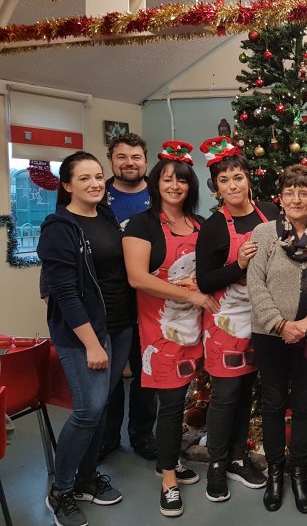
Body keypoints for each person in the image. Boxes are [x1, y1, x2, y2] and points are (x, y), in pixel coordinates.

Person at [123, 142, 219, 517]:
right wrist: (190, 295)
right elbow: (137, 277)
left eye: (181, 180)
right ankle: (168, 479)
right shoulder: (141, 224)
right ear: (155, 183)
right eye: (167, 179)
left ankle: (169, 458)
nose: (174, 186)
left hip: (197, 329)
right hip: (162, 332)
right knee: (171, 404)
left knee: (183, 400)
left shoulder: (199, 224)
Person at [247, 165, 307, 514]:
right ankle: (275, 472)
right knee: (273, 404)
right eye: (290, 192)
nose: (297, 198)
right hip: (270, 335)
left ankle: (299, 473)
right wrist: (279, 324)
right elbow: (254, 282)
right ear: (281, 198)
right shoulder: (264, 232)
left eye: (304, 192)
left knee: (303, 405)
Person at [38, 152, 126, 526]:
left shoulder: (104, 216)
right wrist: (91, 343)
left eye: (99, 177)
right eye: (85, 178)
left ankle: (88, 479)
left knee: (102, 407)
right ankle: (61, 490)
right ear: (67, 185)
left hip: (120, 324)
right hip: (84, 333)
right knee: (88, 410)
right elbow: (65, 293)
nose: (95, 184)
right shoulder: (59, 227)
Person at [196, 136, 279, 502]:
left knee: (247, 389)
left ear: (248, 178)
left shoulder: (269, 213)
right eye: (224, 181)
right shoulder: (214, 226)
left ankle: (238, 457)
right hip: (227, 320)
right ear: (216, 187)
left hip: (262, 317)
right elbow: (205, 280)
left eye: (238, 177)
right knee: (226, 392)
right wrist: (239, 265)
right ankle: (217, 462)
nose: (232, 186)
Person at [101, 133, 158, 462]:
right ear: (111, 160)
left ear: (145, 161)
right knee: (108, 375)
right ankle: (108, 436)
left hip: (151, 298)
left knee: (145, 371)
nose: (129, 163)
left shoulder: (159, 195)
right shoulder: (98, 194)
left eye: (135, 157)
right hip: (110, 298)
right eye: (121, 156)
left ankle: (142, 434)